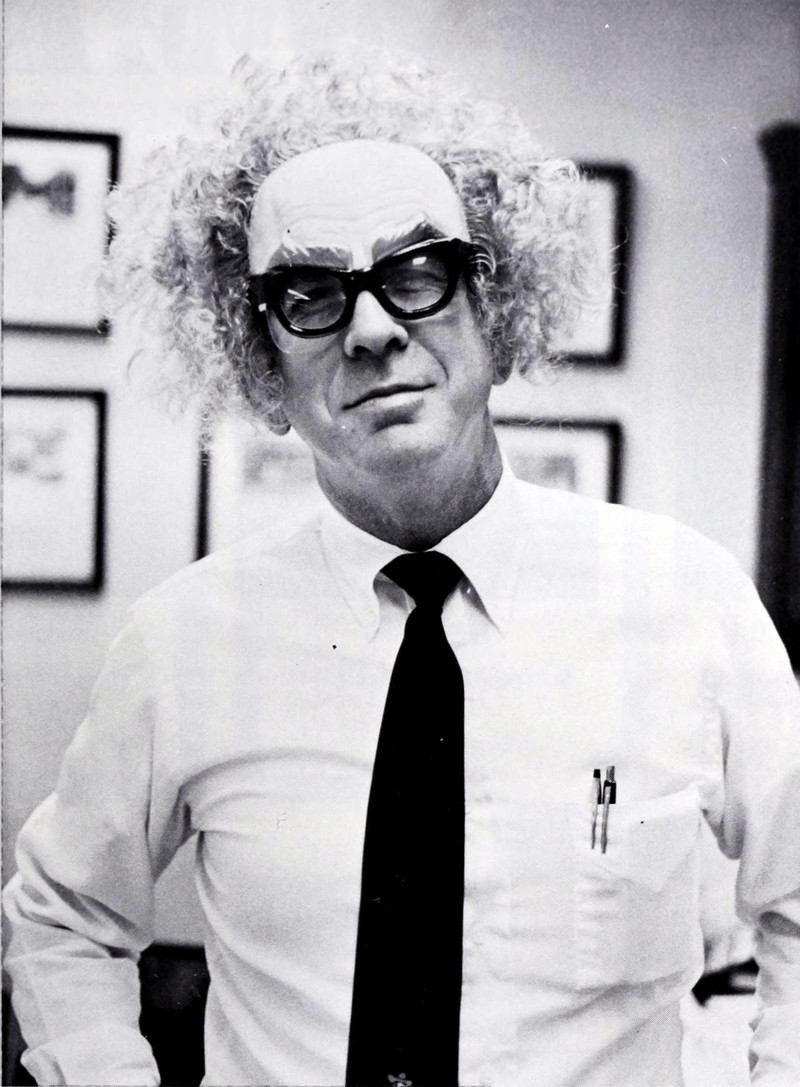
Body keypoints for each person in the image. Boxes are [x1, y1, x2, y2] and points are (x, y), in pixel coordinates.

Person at [4, 49, 800, 1087]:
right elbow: (62, 916)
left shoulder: (685, 600)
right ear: (262, 363)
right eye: (310, 292)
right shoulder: (182, 641)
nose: (374, 329)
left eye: (417, 270)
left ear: (493, 310)